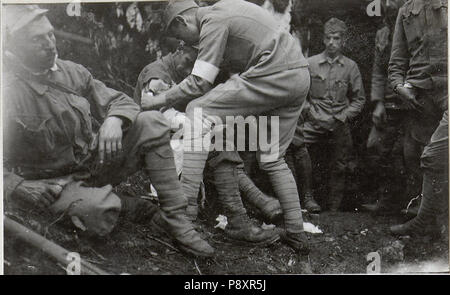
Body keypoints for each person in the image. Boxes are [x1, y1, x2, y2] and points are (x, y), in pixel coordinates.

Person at [2, 5, 214, 258]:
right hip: (54, 184)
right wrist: (19, 186)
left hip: (93, 164)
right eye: (37, 39)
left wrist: (114, 120)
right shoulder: (8, 91)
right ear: (13, 46)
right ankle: (126, 204)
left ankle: (176, 219)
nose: (50, 44)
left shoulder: (71, 71)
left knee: (152, 122)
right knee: (99, 211)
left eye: (50, 34)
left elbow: (121, 101)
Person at [147, 0, 312, 253]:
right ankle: (297, 234)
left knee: (197, 111)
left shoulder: (213, 20)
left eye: (181, 37)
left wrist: (157, 100)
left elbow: (200, 82)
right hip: (299, 75)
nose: (188, 45)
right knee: (272, 158)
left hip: (274, 71)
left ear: (182, 21)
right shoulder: (226, 10)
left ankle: (184, 214)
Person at [135, 45, 282, 245]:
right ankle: (240, 211)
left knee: (217, 139)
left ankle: (242, 213)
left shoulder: (180, 72)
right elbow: (154, 113)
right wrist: (196, 124)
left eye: (193, 66)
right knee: (212, 136)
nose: (188, 70)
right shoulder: (157, 73)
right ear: (178, 49)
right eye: (187, 61)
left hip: (175, 138)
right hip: (154, 142)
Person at [388, 0, 448, 237]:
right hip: (422, 95)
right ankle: (437, 220)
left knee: (434, 156)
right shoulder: (406, 12)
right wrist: (398, 86)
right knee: (413, 154)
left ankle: (423, 221)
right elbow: (396, 62)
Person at [298, 18, 366, 211]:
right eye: (328, 38)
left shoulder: (351, 67)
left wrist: (342, 117)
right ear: (323, 39)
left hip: (338, 121)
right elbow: (301, 95)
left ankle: (334, 208)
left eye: (336, 38)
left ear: (343, 41)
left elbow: (359, 100)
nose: (331, 43)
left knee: (341, 162)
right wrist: (310, 112)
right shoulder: (310, 64)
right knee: (298, 150)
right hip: (313, 120)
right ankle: (306, 198)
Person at [362, 0, 410, 215]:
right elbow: (379, 71)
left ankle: (412, 204)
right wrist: (379, 102)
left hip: (413, 102)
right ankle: (387, 200)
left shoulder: (415, 27)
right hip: (390, 103)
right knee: (381, 150)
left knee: (410, 153)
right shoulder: (383, 34)